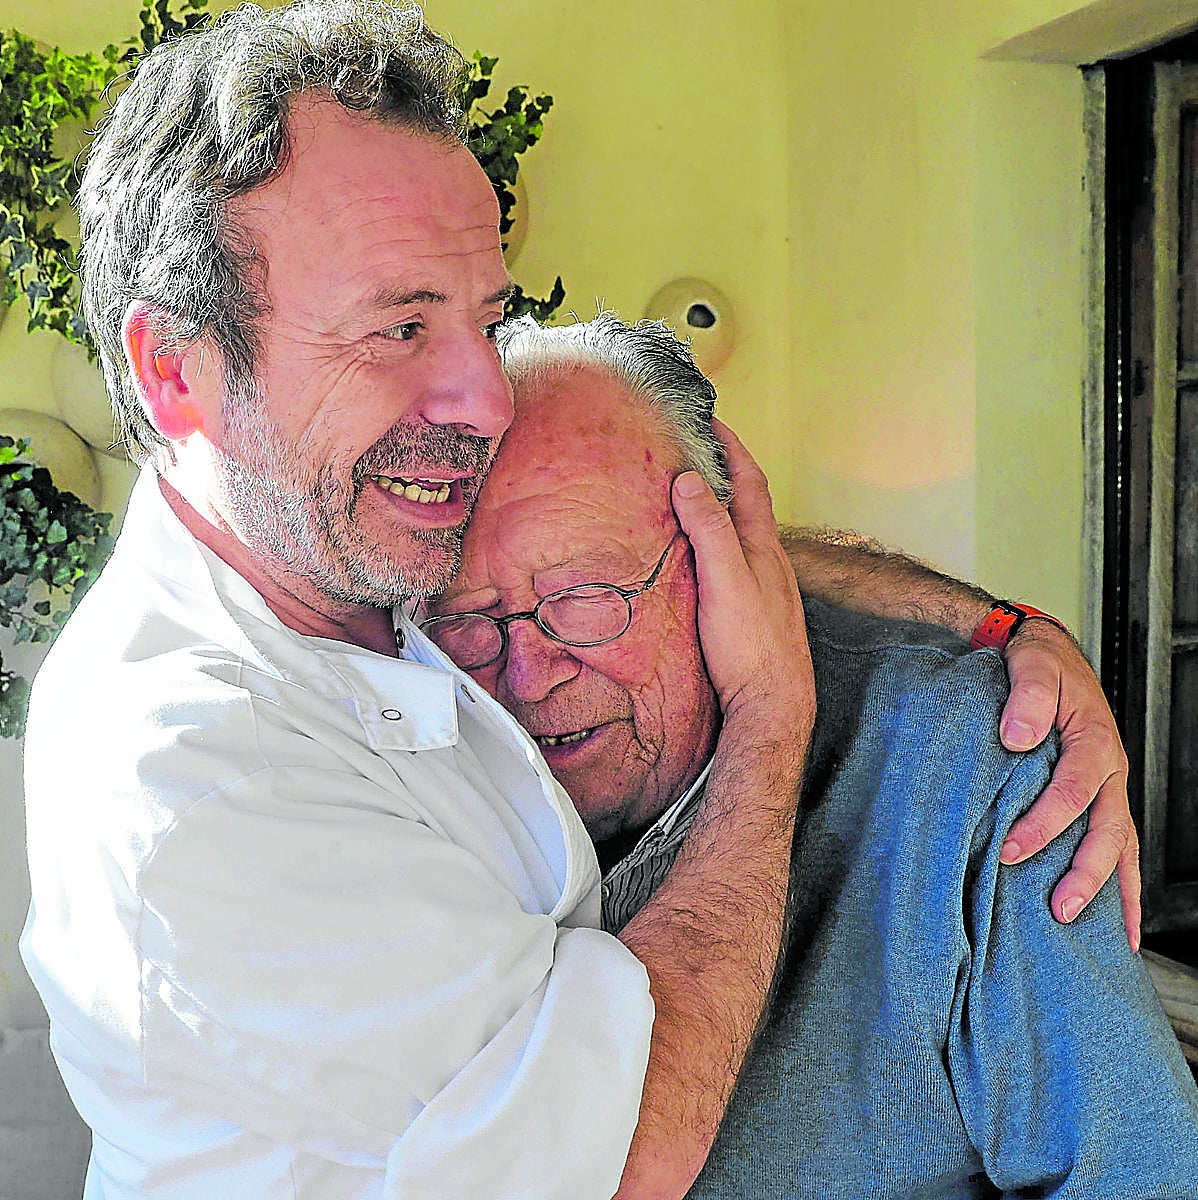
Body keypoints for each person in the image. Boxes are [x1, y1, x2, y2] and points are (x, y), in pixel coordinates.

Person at [14, 2, 1136, 1197]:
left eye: (482, 321)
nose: (481, 400)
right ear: (176, 370)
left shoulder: (327, 543)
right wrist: (768, 721)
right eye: (398, 327)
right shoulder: (199, 783)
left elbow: (618, 512)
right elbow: (623, 1154)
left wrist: (992, 624)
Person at [422, 312, 1198, 1197]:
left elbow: (1141, 1174)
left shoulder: (965, 768)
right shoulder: (393, 772)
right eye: (466, 618)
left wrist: (1002, 628)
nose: (528, 673)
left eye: (587, 596)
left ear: (720, 569)